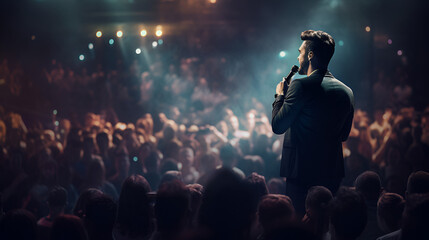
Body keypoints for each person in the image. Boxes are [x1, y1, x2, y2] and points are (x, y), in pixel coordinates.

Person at [271, 30, 354, 214]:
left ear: (310, 55)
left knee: (301, 226)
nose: (298, 56)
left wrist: (280, 96)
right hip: (331, 173)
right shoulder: (347, 92)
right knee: (326, 224)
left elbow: (278, 126)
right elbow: (344, 134)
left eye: (300, 52)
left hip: (301, 173)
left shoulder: (300, 85)